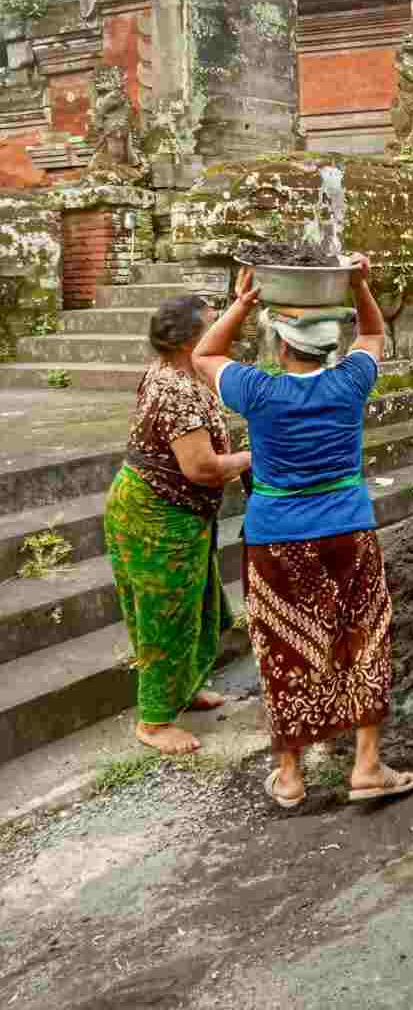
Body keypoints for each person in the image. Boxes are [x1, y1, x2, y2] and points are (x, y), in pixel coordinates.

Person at [192, 255, 413, 809]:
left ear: (282, 347)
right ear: (327, 347)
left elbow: (205, 353)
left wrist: (242, 305)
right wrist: (363, 285)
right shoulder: (349, 382)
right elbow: (372, 331)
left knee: (283, 646)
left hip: (276, 537)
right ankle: (366, 765)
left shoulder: (258, 392)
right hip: (348, 529)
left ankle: (291, 775)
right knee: (363, 636)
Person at [104, 294, 252, 756]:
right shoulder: (177, 390)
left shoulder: (187, 372)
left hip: (177, 512)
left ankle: (183, 689)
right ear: (190, 339)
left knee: (197, 605)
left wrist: (243, 301)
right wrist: (254, 457)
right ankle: (154, 721)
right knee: (165, 616)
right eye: (214, 323)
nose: (224, 328)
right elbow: (202, 468)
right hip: (154, 515)